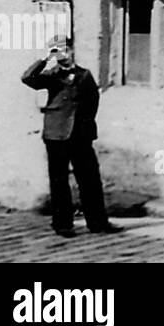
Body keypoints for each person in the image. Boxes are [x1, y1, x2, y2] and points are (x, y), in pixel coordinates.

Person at [20, 37, 122, 237]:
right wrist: (46, 59)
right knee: (58, 181)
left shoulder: (85, 75)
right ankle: (63, 224)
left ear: (73, 50)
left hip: (80, 136)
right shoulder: (51, 75)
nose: (62, 54)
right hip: (55, 135)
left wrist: (86, 128)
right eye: (57, 50)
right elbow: (27, 78)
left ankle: (98, 223)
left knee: (90, 180)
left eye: (65, 49)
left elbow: (93, 102)